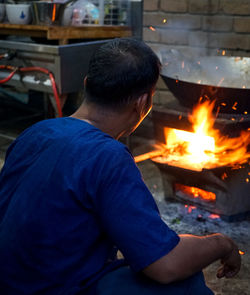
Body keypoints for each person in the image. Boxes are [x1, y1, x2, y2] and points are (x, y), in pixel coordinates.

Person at [0, 38, 240, 295]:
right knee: (188, 285)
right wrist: (222, 243)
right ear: (142, 103)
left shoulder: (35, 132)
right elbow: (165, 265)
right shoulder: (107, 156)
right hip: (51, 289)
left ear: (86, 84)